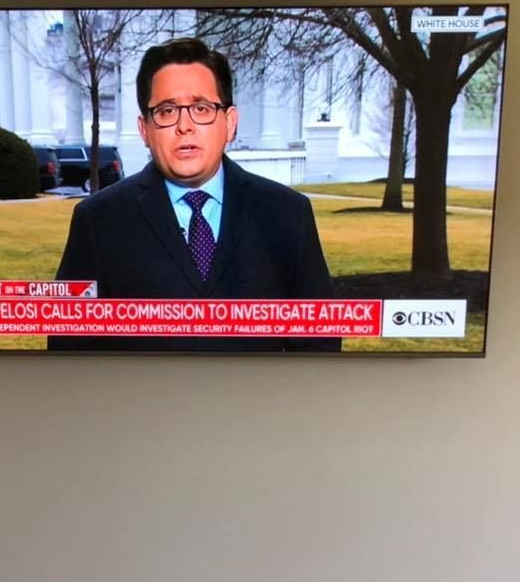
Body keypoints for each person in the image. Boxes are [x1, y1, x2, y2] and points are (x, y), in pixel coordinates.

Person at [48, 37, 339, 352]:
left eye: (202, 108)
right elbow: (70, 355)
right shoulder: (98, 220)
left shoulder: (288, 214)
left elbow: (318, 345)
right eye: (166, 110)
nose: (184, 126)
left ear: (230, 123)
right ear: (145, 130)